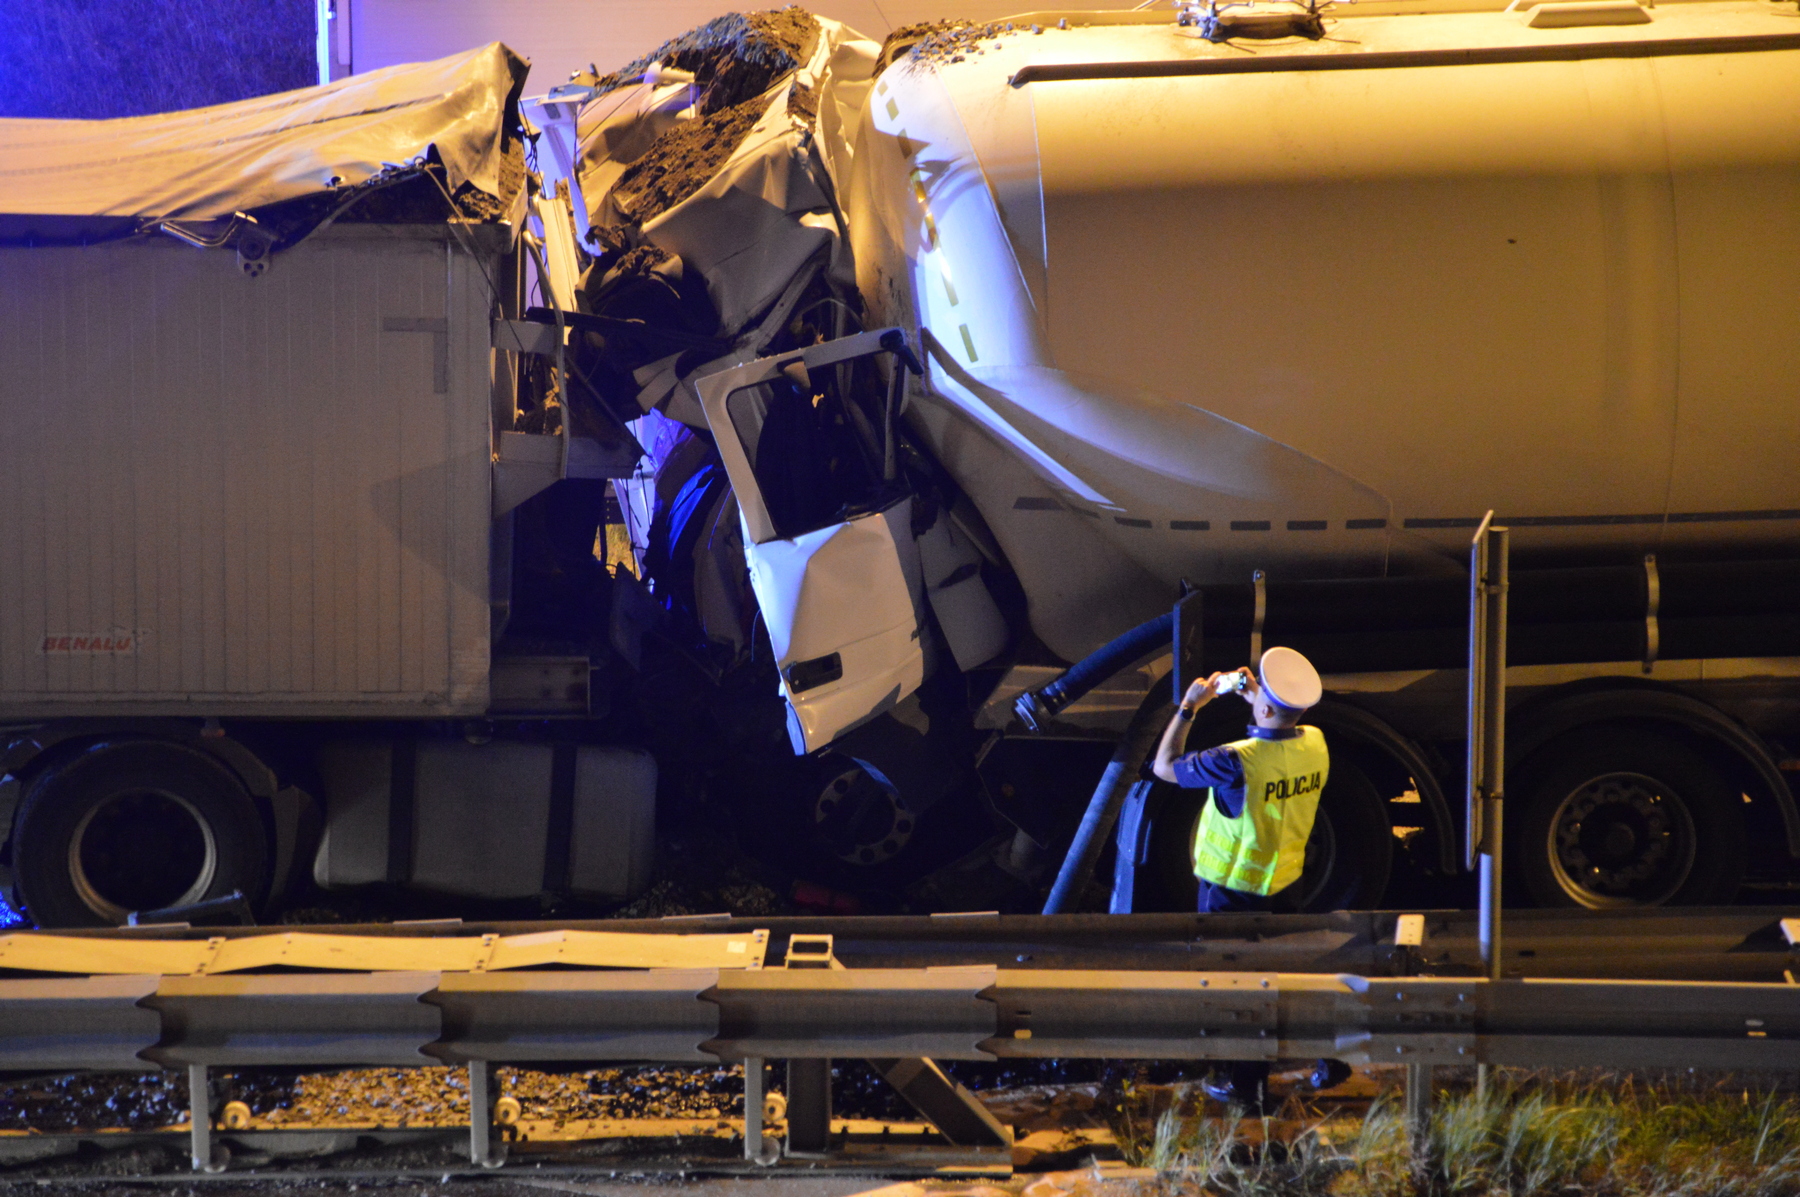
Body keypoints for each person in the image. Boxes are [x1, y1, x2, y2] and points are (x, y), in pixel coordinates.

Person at [1150, 646, 1348, 1108]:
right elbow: (1279, 725)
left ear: (1265, 707)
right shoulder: (1315, 741)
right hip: (1286, 882)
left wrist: (1188, 708)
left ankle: (1248, 1086)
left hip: (1232, 893)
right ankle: (1328, 1057)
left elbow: (1164, 767)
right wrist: (1255, 694)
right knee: (1287, 976)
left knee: (1240, 990)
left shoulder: (1235, 760)